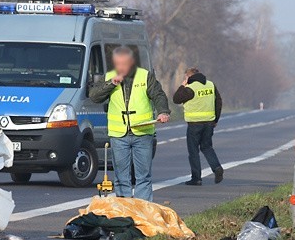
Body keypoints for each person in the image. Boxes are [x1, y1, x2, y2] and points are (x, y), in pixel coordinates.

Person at [89, 46, 170, 201]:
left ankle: (142, 209)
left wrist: (163, 111)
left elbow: (158, 95)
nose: (121, 67)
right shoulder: (109, 76)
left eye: (124, 64)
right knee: (121, 176)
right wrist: (111, 83)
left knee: (143, 176)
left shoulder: (145, 76)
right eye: (118, 64)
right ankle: (124, 209)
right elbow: (94, 96)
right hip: (119, 133)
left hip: (142, 132)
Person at [173, 67, 223, 185]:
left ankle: (196, 178)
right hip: (209, 123)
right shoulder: (210, 85)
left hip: (194, 124)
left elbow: (176, 99)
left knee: (193, 151)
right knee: (207, 147)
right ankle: (216, 167)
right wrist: (215, 119)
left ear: (189, 77)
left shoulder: (190, 88)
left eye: (185, 77)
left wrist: (182, 86)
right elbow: (218, 102)